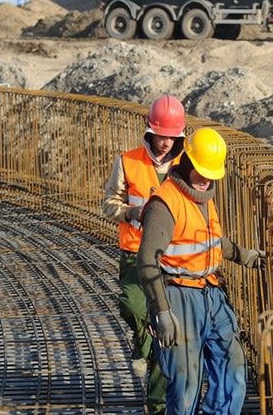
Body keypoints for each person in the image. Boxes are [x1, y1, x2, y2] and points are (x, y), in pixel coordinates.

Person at [137, 127, 265, 415]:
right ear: (188, 162)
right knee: (185, 381)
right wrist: (162, 311)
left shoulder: (203, 197)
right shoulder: (165, 204)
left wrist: (245, 256)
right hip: (178, 297)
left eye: (211, 173)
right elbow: (146, 262)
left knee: (232, 366)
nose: (206, 179)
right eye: (202, 171)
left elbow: (210, 242)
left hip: (211, 294)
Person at [102, 94, 186, 414]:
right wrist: (132, 212)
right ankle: (142, 344)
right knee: (133, 307)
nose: (165, 143)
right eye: (161, 135)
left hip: (171, 257)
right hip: (135, 253)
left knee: (167, 329)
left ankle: (158, 402)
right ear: (150, 132)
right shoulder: (127, 161)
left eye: (172, 137)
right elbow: (109, 203)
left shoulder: (185, 166)